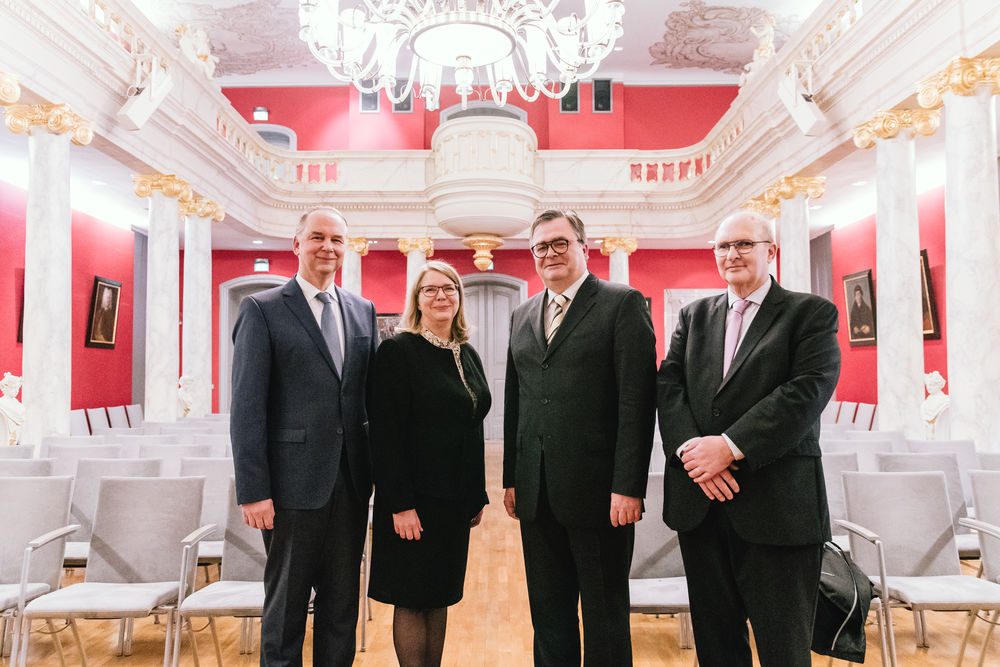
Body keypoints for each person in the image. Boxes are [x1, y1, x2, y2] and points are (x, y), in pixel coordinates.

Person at [657, 211, 840, 666]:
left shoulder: (809, 313)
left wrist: (728, 446)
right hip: (701, 504)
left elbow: (805, 391)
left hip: (777, 506)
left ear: (770, 251)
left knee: (783, 647)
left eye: (743, 244)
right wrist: (691, 453)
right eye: (723, 246)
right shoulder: (695, 315)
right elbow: (669, 385)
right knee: (717, 645)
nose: (731, 254)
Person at [503, 209, 656, 665]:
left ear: (583, 248)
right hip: (536, 492)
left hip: (601, 496)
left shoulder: (622, 303)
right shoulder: (522, 313)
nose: (549, 253)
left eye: (559, 243)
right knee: (548, 616)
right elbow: (518, 402)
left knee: (605, 616)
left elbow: (637, 402)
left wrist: (628, 486)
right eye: (540, 247)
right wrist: (513, 476)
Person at [230, 206, 377, 666]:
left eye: (336, 239)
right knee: (287, 608)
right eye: (317, 237)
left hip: (351, 484)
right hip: (291, 488)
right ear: (297, 244)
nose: (327, 247)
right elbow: (247, 408)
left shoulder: (362, 310)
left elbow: (367, 398)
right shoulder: (263, 308)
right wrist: (254, 492)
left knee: (340, 607)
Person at [368, 260, 491, 667]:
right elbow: (386, 437)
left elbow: (472, 430)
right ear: (416, 301)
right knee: (412, 598)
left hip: (453, 503)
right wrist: (399, 505)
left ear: (459, 296)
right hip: (414, 503)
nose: (441, 296)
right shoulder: (398, 351)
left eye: (449, 288)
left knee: (439, 596)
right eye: (430, 290)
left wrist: (477, 495)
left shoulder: (466, 353)